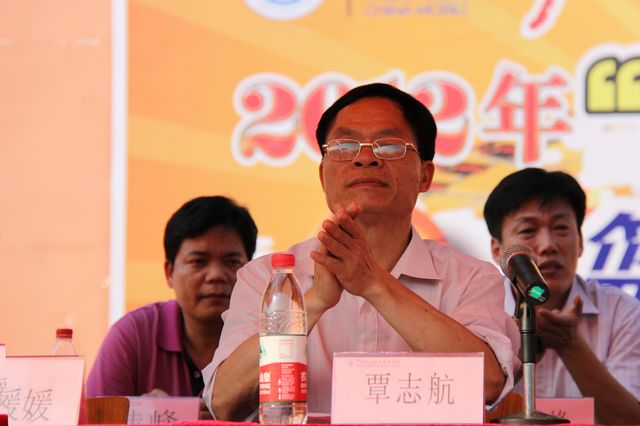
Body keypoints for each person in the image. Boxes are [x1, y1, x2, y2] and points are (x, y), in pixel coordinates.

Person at [203, 83, 520, 420]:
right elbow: (224, 402)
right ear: (323, 175)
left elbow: (487, 383)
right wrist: (313, 302)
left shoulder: (470, 278)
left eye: (389, 146)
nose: (365, 157)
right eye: (345, 146)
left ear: (425, 176)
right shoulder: (269, 278)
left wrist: (374, 283)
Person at [483, 168, 640, 424]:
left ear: (581, 242)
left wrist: (571, 345)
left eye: (561, 228)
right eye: (528, 230)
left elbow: (631, 421)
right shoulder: (476, 307)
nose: (548, 245)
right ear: (497, 249)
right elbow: (457, 408)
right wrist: (518, 352)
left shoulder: (623, 313)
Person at [87, 196, 258, 419]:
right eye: (198, 261)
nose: (216, 275)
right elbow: (96, 419)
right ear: (169, 272)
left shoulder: (272, 339)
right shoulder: (133, 335)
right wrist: (143, 416)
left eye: (232, 262)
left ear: (252, 272)